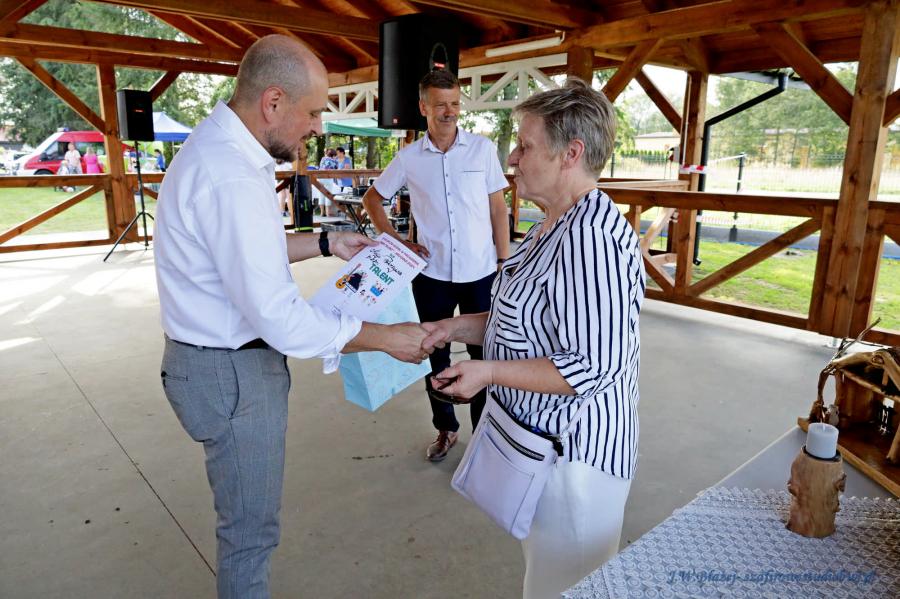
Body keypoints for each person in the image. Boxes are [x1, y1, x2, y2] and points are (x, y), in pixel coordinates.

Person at [153, 35, 431, 599]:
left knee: (248, 529)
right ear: (273, 102)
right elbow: (280, 319)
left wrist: (326, 242)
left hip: (217, 364)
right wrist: (385, 338)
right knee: (249, 537)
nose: (318, 128)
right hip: (231, 372)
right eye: (312, 112)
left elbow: (242, 254)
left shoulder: (225, 151)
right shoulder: (231, 174)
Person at [421, 79, 646, 597]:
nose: (512, 158)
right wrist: (451, 328)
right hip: (538, 446)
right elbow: (517, 321)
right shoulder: (553, 223)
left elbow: (592, 365)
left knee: (563, 586)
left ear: (571, 154)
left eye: (525, 145)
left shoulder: (591, 239)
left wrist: (488, 371)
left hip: (575, 462)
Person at [362, 69, 510, 462]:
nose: (450, 111)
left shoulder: (482, 149)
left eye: (456, 103)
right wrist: (396, 241)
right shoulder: (409, 158)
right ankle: (446, 428)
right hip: (431, 276)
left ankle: (484, 436)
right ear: (423, 107)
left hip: (481, 273)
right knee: (435, 356)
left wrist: (503, 260)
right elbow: (372, 200)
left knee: (485, 356)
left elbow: (499, 208)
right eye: (441, 104)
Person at [317, 148, 339, 217]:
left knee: (321, 195)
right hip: (328, 179)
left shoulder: (323, 158)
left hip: (320, 178)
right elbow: (336, 168)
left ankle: (321, 213)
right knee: (328, 195)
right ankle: (327, 213)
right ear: (334, 155)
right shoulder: (334, 161)